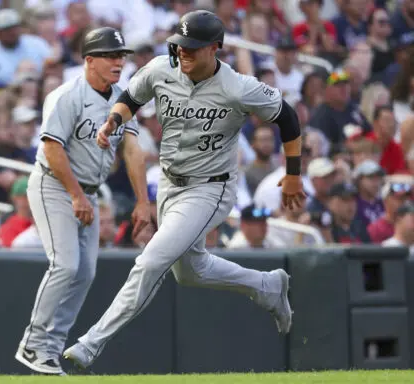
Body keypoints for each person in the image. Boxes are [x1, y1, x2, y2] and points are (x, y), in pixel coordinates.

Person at [63, 10, 305, 368]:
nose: (184, 54)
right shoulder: (162, 69)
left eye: (193, 48)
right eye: (180, 46)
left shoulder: (239, 86)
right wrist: (114, 119)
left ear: (215, 48)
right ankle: (266, 286)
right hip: (169, 184)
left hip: (211, 189)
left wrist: (294, 174)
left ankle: (92, 342)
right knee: (189, 272)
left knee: (151, 261)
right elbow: (131, 97)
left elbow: (287, 117)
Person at [15, 27, 150, 376]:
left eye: (120, 55)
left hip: (88, 191)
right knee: (65, 265)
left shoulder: (123, 97)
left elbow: (133, 150)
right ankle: (33, 343)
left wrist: (142, 201)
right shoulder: (66, 95)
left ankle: (49, 349)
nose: (118, 61)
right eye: (109, 55)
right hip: (53, 185)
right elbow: (51, 147)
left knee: (85, 272)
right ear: (89, 60)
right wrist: (76, 195)